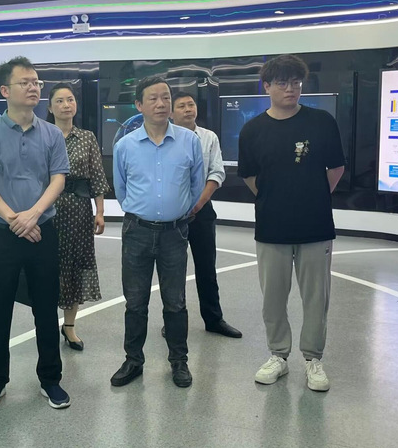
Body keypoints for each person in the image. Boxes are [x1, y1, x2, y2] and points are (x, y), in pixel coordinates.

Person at [237, 54, 345, 392]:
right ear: (266, 86)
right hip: (272, 227)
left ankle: (313, 358)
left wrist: (312, 196)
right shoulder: (252, 130)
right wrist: (277, 199)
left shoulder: (322, 122)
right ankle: (278, 355)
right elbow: (250, 176)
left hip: (316, 225)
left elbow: (336, 168)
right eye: (283, 83)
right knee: (273, 298)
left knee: (316, 298)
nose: (291, 89)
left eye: (296, 82)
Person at [0, 56, 72, 410]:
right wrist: (15, 219)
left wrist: (33, 215)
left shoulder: (51, 134)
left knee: (46, 308)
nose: (33, 87)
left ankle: (51, 379)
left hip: (43, 231)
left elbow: (58, 179)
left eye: (36, 82)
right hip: (3, 235)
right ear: (5, 90)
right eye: (24, 82)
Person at [111, 76, 204, 389]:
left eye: (166, 97)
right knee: (135, 302)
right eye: (153, 98)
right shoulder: (125, 146)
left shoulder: (189, 141)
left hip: (174, 233)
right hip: (136, 231)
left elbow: (196, 184)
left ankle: (179, 361)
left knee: (175, 302)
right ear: (139, 105)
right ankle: (133, 360)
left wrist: (179, 210)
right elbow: (121, 189)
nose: (161, 104)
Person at [170, 91, 242, 338]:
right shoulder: (164, 138)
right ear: (171, 113)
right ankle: (173, 320)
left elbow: (217, 172)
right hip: (172, 213)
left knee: (206, 267)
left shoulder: (209, 137)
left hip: (202, 210)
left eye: (191, 104)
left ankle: (213, 319)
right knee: (174, 271)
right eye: (181, 106)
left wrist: (199, 203)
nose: (188, 109)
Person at [46, 83, 109, 351]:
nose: (66, 105)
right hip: (47, 210)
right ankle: (46, 324)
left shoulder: (87, 137)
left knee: (75, 267)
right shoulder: (43, 136)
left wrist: (100, 211)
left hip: (79, 211)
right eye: (59, 101)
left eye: (70, 99)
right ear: (50, 108)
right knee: (48, 267)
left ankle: (69, 326)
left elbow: (96, 175)